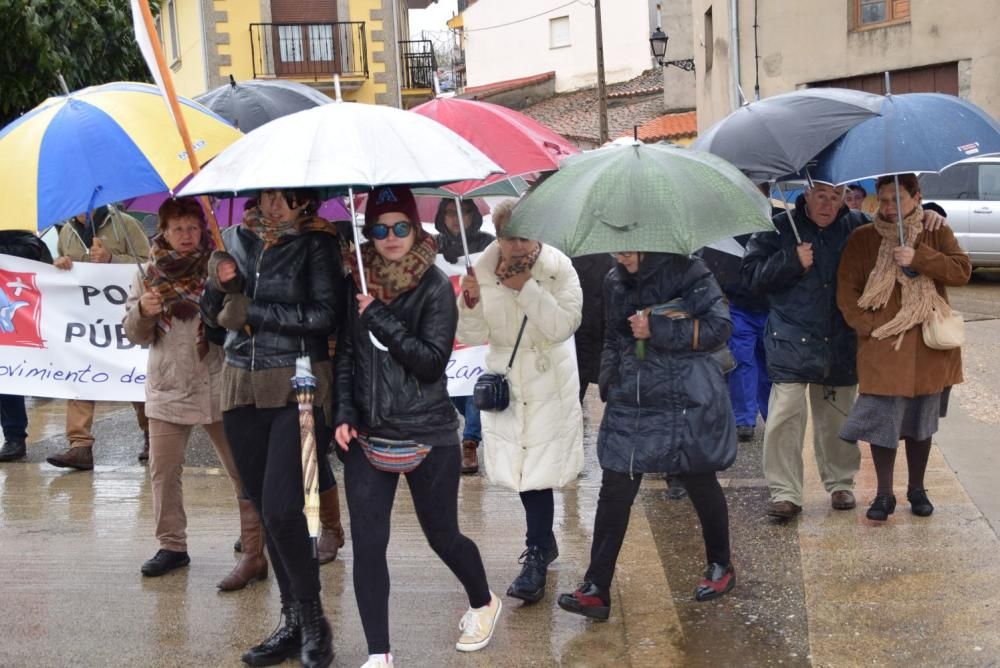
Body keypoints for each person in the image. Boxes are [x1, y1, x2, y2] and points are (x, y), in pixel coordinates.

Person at [334, 186, 499, 667]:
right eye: (380, 228)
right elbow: (346, 355)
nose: (390, 237)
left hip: (427, 434)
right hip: (367, 435)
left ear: (415, 229)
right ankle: (379, 654)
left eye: (400, 227)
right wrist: (343, 414)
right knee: (368, 545)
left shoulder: (433, 287)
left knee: (442, 535)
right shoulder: (357, 283)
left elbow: (430, 363)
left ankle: (483, 601)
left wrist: (379, 318)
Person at [742, 183, 945, 519]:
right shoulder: (777, 228)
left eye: (835, 196)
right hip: (790, 340)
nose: (828, 203)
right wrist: (790, 261)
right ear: (805, 197)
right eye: (820, 196)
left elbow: (899, 224)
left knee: (838, 419)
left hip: (840, 341)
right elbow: (750, 278)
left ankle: (840, 483)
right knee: (784, 420)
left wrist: (933, 215)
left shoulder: (859, 227)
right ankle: (785, 492)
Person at [557, 250, 738, 621]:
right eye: (617, 245)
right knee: (615, 488)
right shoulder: (613, 279)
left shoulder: (690, 271)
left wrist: (658, 328)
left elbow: (719, 327)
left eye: (631, 243)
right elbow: (612, 335)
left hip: (682, 396)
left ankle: (721, 564)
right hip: (632, 396)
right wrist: (609, 377)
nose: (622, 253)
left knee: (699, 479)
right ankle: (596, 588)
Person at [201, 188, 339, 667]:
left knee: (286, 509)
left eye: (287, 197)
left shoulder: (319, 244)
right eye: (267, 195)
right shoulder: (234, 239)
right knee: (264, 508)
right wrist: (218, 290)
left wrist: (254, 311)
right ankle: (292, 622)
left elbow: (326, 316)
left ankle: (315, 619)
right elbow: (216, 326)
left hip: (298, 383)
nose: (274, 204)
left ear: (305, 201)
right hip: (240, 386)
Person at [122, 197, 266, 588]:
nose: (186, 236)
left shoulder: (220, 266)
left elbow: (237, 321)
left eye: (192, 227)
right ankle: (172, 545)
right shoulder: (148, 275)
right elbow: (135, 335)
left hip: (221, 382)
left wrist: (230, 289)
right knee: (163, 472)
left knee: (242, 469)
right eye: (177, 228)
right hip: (169, 385)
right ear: (163, 232)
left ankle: (253, 540)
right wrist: (143, 313)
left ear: (203, 229)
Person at [457, 199, 584, 605]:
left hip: (549, 381)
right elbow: (474, 334)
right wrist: (470, 302)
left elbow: (563, 325)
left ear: (539, 235)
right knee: (522, 470)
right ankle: (544, 544)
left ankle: (534, 560)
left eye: (523, 237)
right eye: (507, 237)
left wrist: (526, 288)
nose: (514, 247)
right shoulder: (482, 266)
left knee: (537, 474)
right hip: (509, 383)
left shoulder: (558, 268)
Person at [837, 174, 971, 521]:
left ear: (917, 198)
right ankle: (884, 494)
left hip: (928, 347)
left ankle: (917, 489)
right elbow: (846, 289)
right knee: (883, 424)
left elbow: (961, 271)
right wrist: (869, 328)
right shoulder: (863, 238)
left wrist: (920, 257)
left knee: (920, 424)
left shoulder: (934, 230)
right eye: (883, 201)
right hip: (883, 347)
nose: (889, 208)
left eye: (897, 200)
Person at [46, 205, 151, 470]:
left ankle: (152, 435)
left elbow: (147, 263)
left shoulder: (125, 223)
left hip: (123, 320)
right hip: (87, 323)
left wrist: (112, 260)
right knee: (80, 375)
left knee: (134, 377)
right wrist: (60, 265)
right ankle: (79, 446)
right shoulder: (67, 232)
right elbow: (61, 269)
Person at [433, 197, 495, 474]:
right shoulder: (432, 246)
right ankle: (470, 426)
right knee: (456, 388)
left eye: (462, 213)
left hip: (478, 327)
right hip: (445, 327)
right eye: (448, 214)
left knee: (474, 387)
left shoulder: (488, 245)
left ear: (473, 216)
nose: (455, 219)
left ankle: (470, 441)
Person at [0, 229, 53, 462]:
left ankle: (14, 436)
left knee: (8, 375)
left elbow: (35, 256)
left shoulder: (21, 234)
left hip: (20, 320)